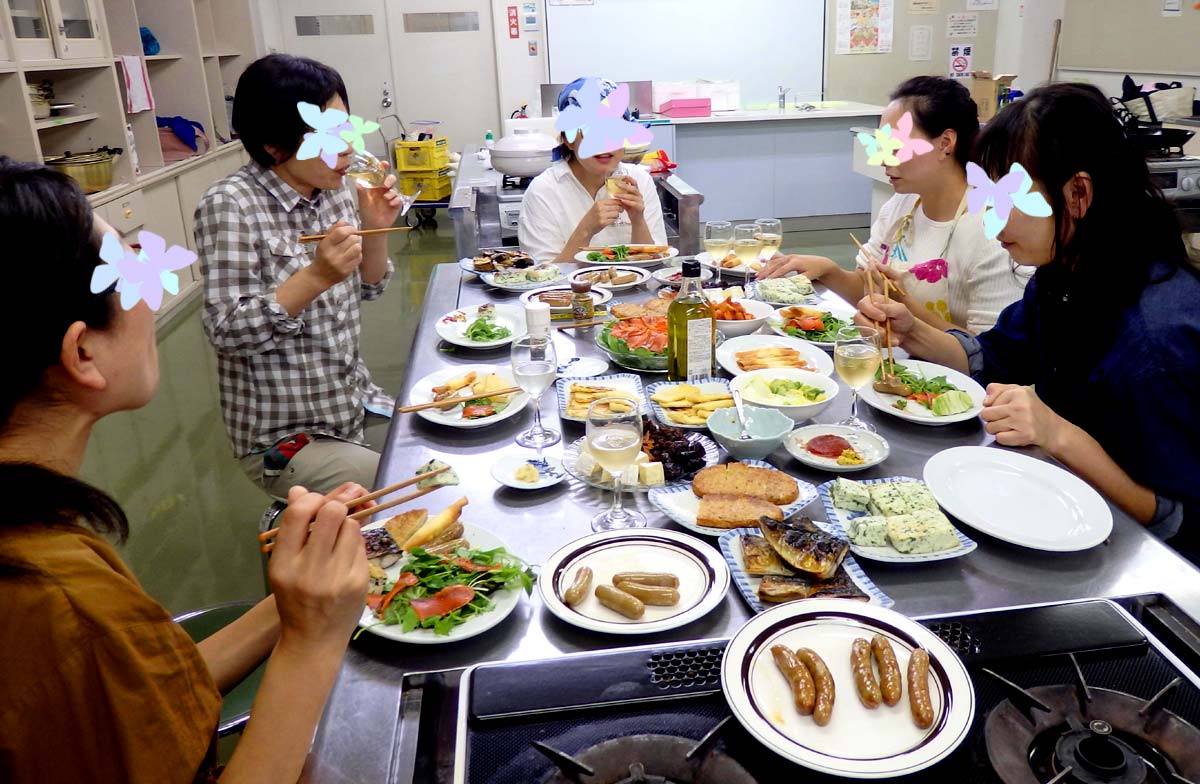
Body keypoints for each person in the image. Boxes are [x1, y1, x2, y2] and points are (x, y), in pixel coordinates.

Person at [0, 158, 370, 782]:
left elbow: (155, 688)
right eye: (133, 268)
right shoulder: (57, 599)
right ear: (82, 351)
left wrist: (295, 600)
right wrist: (312, 643)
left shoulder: (45, 536)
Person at [858, 83, 1200, 561]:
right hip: (1047, 514)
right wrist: (913, 330)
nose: (994, 224)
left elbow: (1180, 524)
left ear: (1077, 192)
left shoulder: (1154, 339)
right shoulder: (1063, 275)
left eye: (1008, 200)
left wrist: (1059, 434)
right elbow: (995, 356)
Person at [195, 54, 402, 498]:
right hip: (284, 438)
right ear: (274, 144)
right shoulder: (231, 205)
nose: (347, 146)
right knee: (403, 484)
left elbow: (371, 285)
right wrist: (315, 276)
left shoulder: (334, 190)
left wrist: (377, 229)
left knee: (445, 445)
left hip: (352, 404)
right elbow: (227, 330)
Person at [759, 76, 1029, 334]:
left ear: (945, 143)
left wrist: (909, 313)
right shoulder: (903, 203)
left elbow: (990, 354)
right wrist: (829, 270)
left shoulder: (994, 230)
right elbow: (870, 291)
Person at [519, 78, 667, 263]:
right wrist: (586, 229)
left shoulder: (639, 181)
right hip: (569, 292)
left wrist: (638, 220)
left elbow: (655, 263)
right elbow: (543, 278)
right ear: (568, 140)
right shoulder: (544, 191)